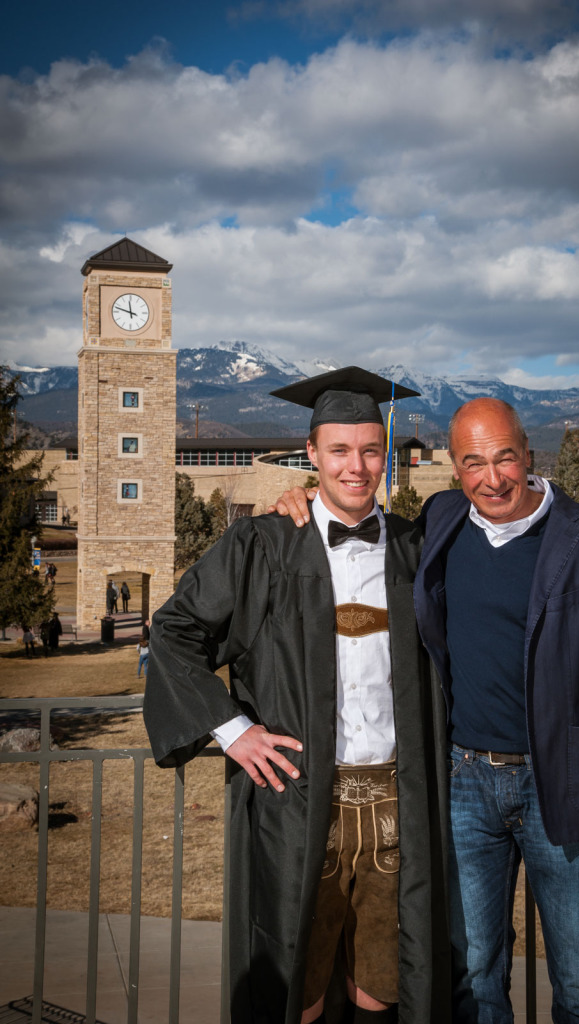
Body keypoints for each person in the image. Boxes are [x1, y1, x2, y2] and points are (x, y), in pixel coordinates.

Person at [274, 396, 579, 1024]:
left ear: (529, 453)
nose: (492, 477)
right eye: (474, 463)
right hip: (464, 783)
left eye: (505, 458)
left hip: (562, 784)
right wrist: (294, 501)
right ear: (454, 469)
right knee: (474, 978)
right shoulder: (444, 520)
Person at [143, 367, 450, 1024]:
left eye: (371, 449)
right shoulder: (263, 546)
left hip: (398, 805)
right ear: (310, 455)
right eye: (338, 450)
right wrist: (231, 730)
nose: (356, 466)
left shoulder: (414, 548)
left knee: (383, 981)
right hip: (299, 803)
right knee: (297, 984)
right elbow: (173, 630)